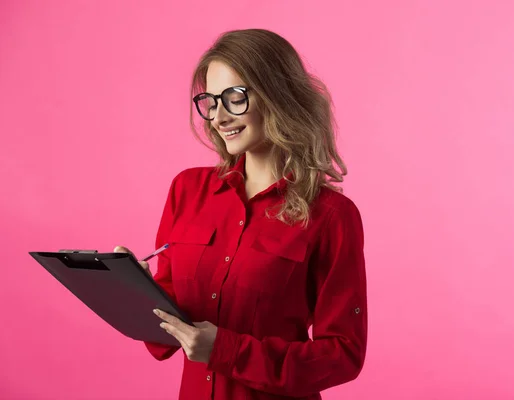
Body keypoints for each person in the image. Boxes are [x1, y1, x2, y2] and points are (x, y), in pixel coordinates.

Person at [115, 28, 367, 400]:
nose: (218, 117)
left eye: (234, 97)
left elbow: (343, 354)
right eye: (211, 101)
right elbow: (166, 336)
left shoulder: (332, 215)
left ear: (277, 95)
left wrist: (227, 351)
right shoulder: (187, 190)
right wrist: (135, 291)